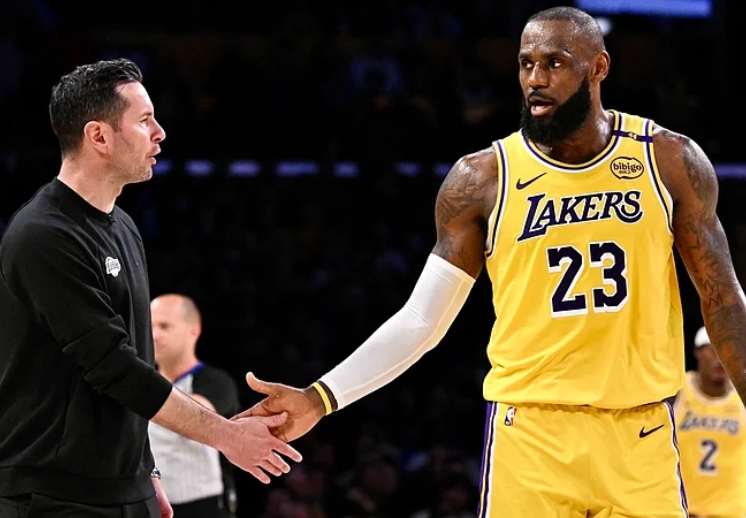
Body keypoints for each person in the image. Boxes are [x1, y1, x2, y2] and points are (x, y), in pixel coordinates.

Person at [236, 6, 746, 517]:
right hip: (533, 436)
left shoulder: (668, 160)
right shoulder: (481, 179)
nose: (535, 79)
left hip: (642, 432)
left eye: (554, 63)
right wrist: (320, 397)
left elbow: (722, 298)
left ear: (599, 67)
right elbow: (421, 319)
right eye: (526, 64)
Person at [0, 58, 301, 518]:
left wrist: (145, 470)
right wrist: (227, 435)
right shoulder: (43, 235)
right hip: (53, 494)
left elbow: (137, 359)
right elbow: (113, 366)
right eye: (144, 121)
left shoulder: (122, 226)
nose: (159, 133)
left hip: (124, 488)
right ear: (99, 136)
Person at [148, 293, 241, 518]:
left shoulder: (215, 382)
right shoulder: (143, 383)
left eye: (165, 326)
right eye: (150, 326)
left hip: (203, 506)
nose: (155, 335)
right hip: (150, 504)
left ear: (193, 331)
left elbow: (192, 418)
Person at [673, 326, 746, 518]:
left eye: (727, 351)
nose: (720, 358)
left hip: (733, 512)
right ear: (698, 352)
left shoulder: (742, 397)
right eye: (713, 351)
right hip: (685, 509)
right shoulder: (678, 390)